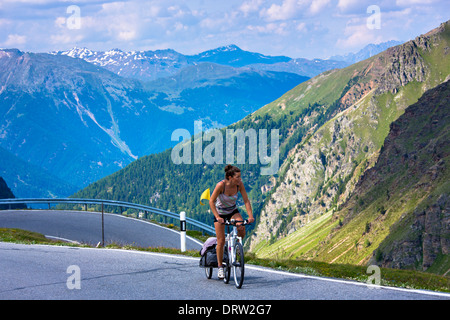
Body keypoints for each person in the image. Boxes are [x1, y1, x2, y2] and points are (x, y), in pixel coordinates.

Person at [209, 165, 254, 279]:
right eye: (238, 177)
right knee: (221, 240)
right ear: (230, 177)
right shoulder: (221, 185)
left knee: (241, 227)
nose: (240, 179)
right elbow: (211, 201)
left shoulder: (239, 185)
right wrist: (217, 217)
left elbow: (246, 201)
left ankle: (236, 248)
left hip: (232, 211)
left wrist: (250, 216)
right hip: (220, 213)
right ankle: (220, 267)